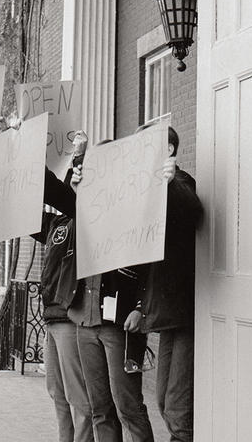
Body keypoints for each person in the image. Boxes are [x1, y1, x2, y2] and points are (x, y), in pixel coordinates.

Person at [69, 140, 154, 442]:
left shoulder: (136, 209)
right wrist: (75, 176)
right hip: (85, 320)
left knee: (128, 406)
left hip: (120, 323)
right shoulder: (82, 206)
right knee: (100, 409)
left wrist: (142, 308)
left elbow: (152, 265)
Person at [123, 126, 202, 442]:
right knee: (164, 403)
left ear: (168, 150)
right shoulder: (149, 191)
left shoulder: (179, 183)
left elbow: (193, 210)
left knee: (178, 411)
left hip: (183, 313)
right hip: (166, 314)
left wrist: (168, 183)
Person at [31, 131, 94, 442]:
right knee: (56, 392)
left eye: (77, 176)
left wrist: (80, 155)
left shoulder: (89, 216)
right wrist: (5, 154)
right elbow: (18, 206)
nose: (73, 180)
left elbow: (58, 193)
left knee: (77, 395)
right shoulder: (56, 224)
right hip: (51, 317)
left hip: (71, 316)